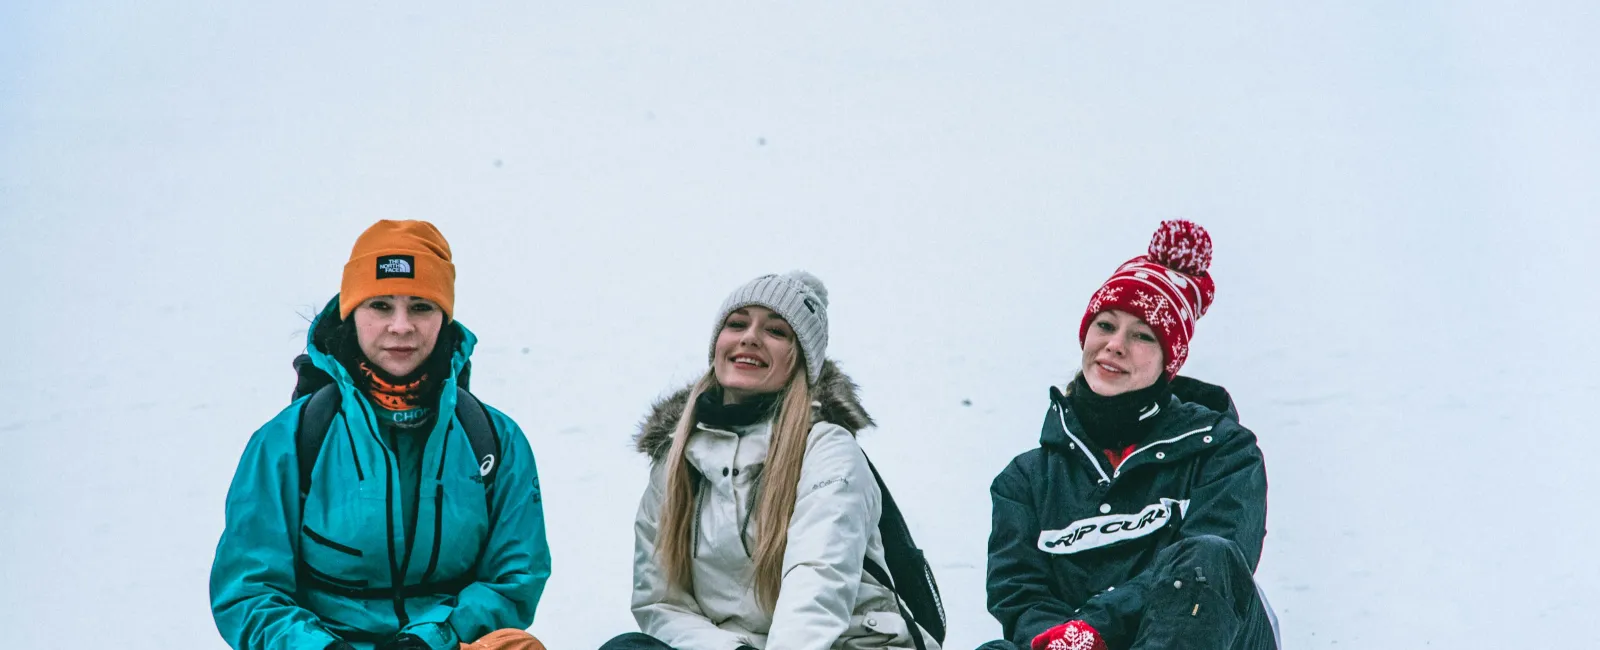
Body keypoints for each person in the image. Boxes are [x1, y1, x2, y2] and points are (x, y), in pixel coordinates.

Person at [210, 220, 551, 650]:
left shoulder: (495, 440)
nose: (401, 326)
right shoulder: (288, 442)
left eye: (422, 307)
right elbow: (249, 590)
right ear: (352, 314)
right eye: (381, 306)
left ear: (445, 318)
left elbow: (516, 577)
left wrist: (431, 640)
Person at [601, 271, 936, 650]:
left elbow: (817, 581)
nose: (749, 337)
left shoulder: (826, 448)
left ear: (801, 360)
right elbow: (661, 603)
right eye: (737, 323)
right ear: (717, 344)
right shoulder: (676, 459)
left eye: (776, 331)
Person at [983, 221, 1278, 650]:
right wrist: (1064, 640)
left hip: (1205, 636)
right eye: (1105, 326)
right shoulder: (1025, 480)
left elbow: (1216, 571)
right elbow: (1019, 596)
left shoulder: (1223, 450)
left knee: (1207, 556)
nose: (1115, 345)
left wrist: (1097, 627)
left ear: (1168, 361)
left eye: (1142, 336)